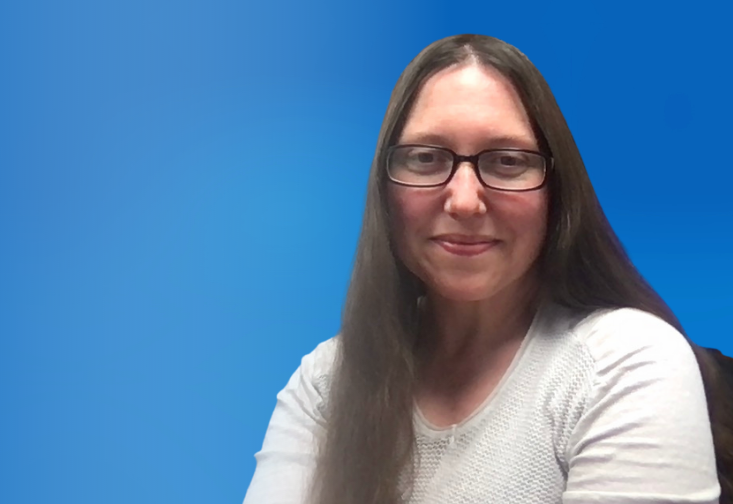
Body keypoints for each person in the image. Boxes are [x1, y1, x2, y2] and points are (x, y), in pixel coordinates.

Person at [243, 34, 731, 504]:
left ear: (555, 194)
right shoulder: (329, 379)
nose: (464, 201)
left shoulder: (623, 363)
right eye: (426, 158)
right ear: (384, 191)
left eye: (506, 161)